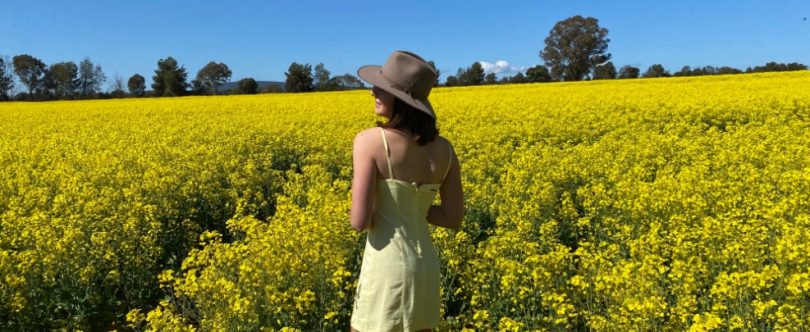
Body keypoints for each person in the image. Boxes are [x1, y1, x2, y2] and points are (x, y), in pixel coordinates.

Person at [349, 50, 464, 332]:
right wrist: (413, 208)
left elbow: (359, 222)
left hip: (386, 267)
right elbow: (452, 217)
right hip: (425, 268)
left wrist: (393, 206)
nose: (372, 91)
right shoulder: (445, 149)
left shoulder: (369, 141)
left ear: (401, 99)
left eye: (382, 87)